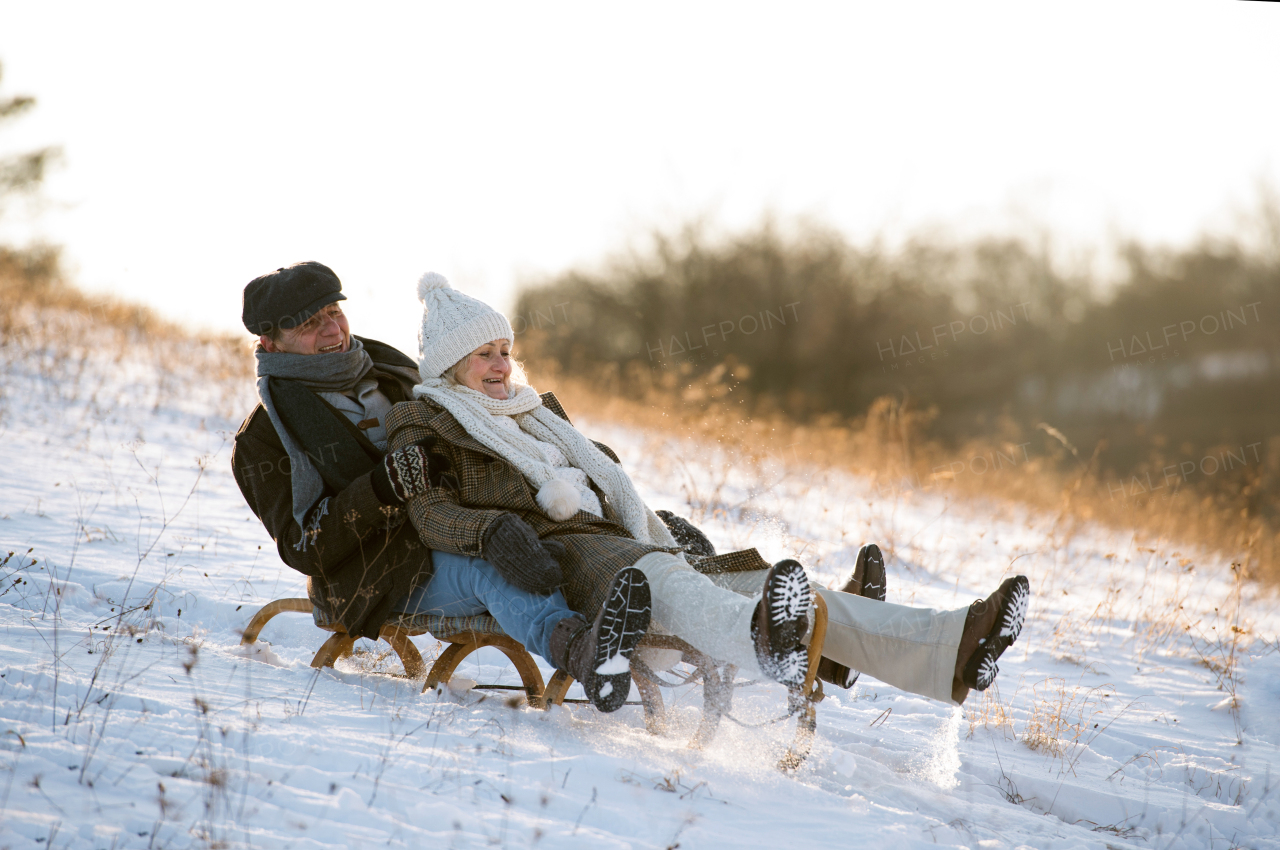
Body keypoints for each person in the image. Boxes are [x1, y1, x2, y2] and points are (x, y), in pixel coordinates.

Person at [386, 273, 1030, 706]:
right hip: (564, 559)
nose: (502, 366)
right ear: (449, 367)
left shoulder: (533, 411)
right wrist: (493, 534)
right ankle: (764, 642)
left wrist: (591, 475)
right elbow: (428, 513)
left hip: (617, 540)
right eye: (484, 356)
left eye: (505, 350)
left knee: (757, 585)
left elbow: (603, 470)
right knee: (703, 592)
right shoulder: (422, 424)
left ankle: (952, 645)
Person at [230, 261, 653, 712]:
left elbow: (478, 419)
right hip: (383, 572)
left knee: (563, 533)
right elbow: (303, 547)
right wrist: (381, 488)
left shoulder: (393, 372)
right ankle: (585, 656)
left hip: (462, 515)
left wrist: (563, 455)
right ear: (269, 341)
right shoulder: (263, 438)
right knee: (494, 564)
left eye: (334, 312)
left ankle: (678, 594)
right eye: (310, 324)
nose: (332, 329)